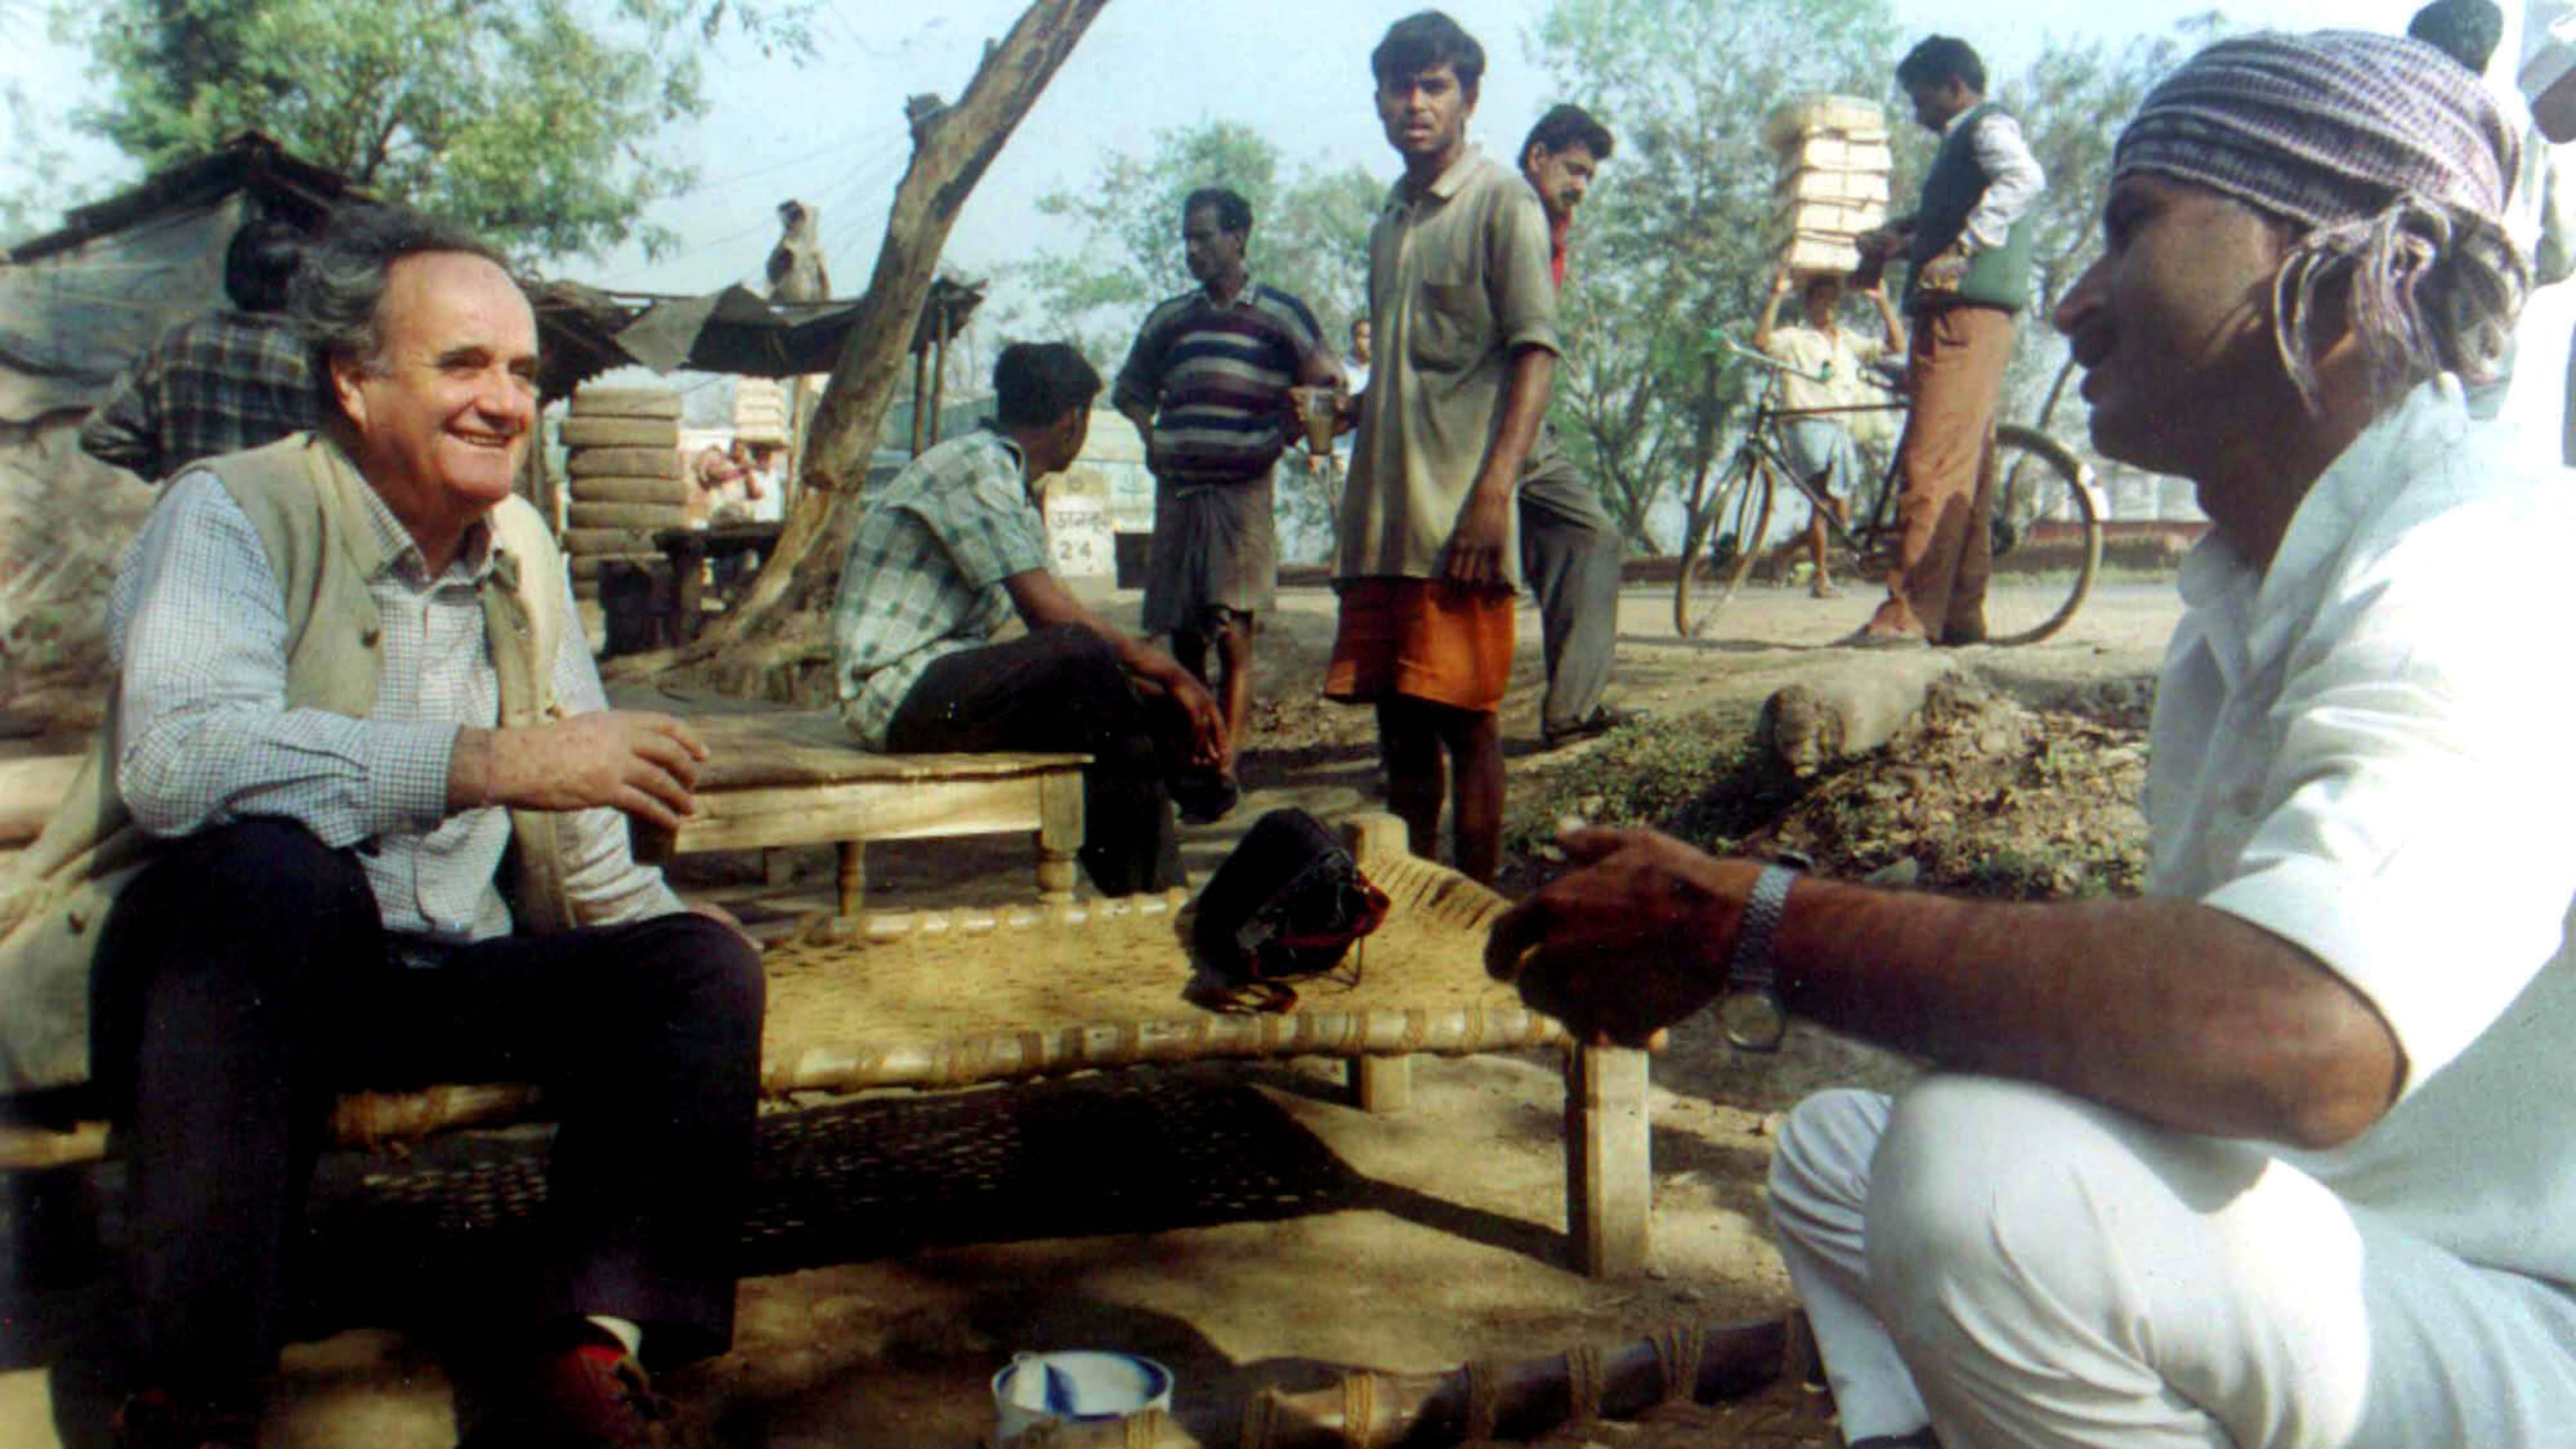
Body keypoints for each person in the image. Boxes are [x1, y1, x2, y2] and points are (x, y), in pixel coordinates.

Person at [1490, 30, 2563, 1446]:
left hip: (2516, 1325)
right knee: (1839, 1155)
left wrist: (1750, 926)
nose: (2072, 301)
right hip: (2347, 1259)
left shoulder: (2481, 560)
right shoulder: (2238, 604)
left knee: (1982, 1176)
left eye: (2133, 230)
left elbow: (2304, 1038)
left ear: (2334, 267)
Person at [0, 204, 767, 1448]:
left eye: (522, 372)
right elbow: (180, 763)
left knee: (701, 966)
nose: (506, 402)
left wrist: (660, 949)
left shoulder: (520, 540)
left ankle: (587, 1351)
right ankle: (191, 1397)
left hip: (436, 971)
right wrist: (488, 761)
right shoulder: (228, 511)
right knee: (271, 872)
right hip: (220, 985)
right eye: (463, 365)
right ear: (354, 382)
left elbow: (575, 802)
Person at [832, 341, 1229, 895]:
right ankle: (1154, 895)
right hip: (893, 696)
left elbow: (1065, 618)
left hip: (938, 686)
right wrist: (1172, 672)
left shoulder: (1007, 485)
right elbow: (1051, 617)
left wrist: (1157, 690)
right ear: (1073, 421)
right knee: (1084, 660)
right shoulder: (973, 467)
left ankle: (1180, 824)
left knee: (1108, 683)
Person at [1326, 9, 1559, 885]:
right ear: (1380, 100)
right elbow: (1411, 372)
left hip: (1461, 515)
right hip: (1382, 524)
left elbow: (1535, 350)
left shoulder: (1502, 201)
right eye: (1400, 88)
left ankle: (1479, 922)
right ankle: (1420, 918)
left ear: (1469, 97)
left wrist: (1494, 497)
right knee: (1402, 739)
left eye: (1435, 87)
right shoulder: (1390, 220)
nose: (1415, 104)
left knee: (1470, 726)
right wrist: (1346, 410)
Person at [1113, 188, 1338, 812]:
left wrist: (1296, 438)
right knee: (1184, 640)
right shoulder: (1170, 319)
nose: (1193, 250)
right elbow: (1129, 390)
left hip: (1240, 495)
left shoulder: (1280, 315)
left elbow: (1327, 382)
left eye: (1205, 237)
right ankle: (1197, 760)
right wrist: (1149, 435)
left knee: (1233, 630)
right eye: (1186, 238)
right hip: (1179, 493)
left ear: (1239, 237)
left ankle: (1228, 765)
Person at [1850, 35, 2045, 648]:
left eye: (1921, 96)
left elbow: (2023, 179)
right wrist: (1903, 240)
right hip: (1971, 317)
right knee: (1969, 468)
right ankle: (1960, 611)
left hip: (1963, 315)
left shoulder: (1985, 130)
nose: (1916, 111)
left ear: (1954, 85)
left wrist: (1963, 249)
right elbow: (1954, 216)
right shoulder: (1960, 150)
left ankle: (1908, 612)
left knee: (1932, 459)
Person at [1515, 103, 1642, 750]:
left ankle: (1571, 711)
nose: (1581, 187)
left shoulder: (1552, 226)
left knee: (1588, 538)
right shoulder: (1508, 215)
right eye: (1573, 169)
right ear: (1537, 156)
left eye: (1589, 176)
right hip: (1485, 422)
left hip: (1525, 422)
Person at [2411, 0, 2575, 423]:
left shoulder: (2406, 108)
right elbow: (2562, 247)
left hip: (2411, 285)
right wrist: (2537, 273)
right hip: (2495, 287)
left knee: (2397, 427)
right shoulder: (2519, 115)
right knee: (2469, 426)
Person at [78, 216, 320, 482]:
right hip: (280, 519)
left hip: (193, 516)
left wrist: (177, 470)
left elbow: (99, 433)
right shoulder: (309, 359)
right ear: (297, 284)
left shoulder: (174, 346)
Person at [1752, 264, 1907, 598]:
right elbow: (1762, 342)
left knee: (1841, 513)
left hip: (1840, 424)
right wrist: (1777, 297)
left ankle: (1787, 549)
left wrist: (1882, 302)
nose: (1827, 307)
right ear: (1809, 303)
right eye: (1821, 300)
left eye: (1833, 301)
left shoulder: (1847, 340)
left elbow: (1896, 345)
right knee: (1823, 502)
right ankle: (1821, 577)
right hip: (1808, 421)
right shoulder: (1795, 337)